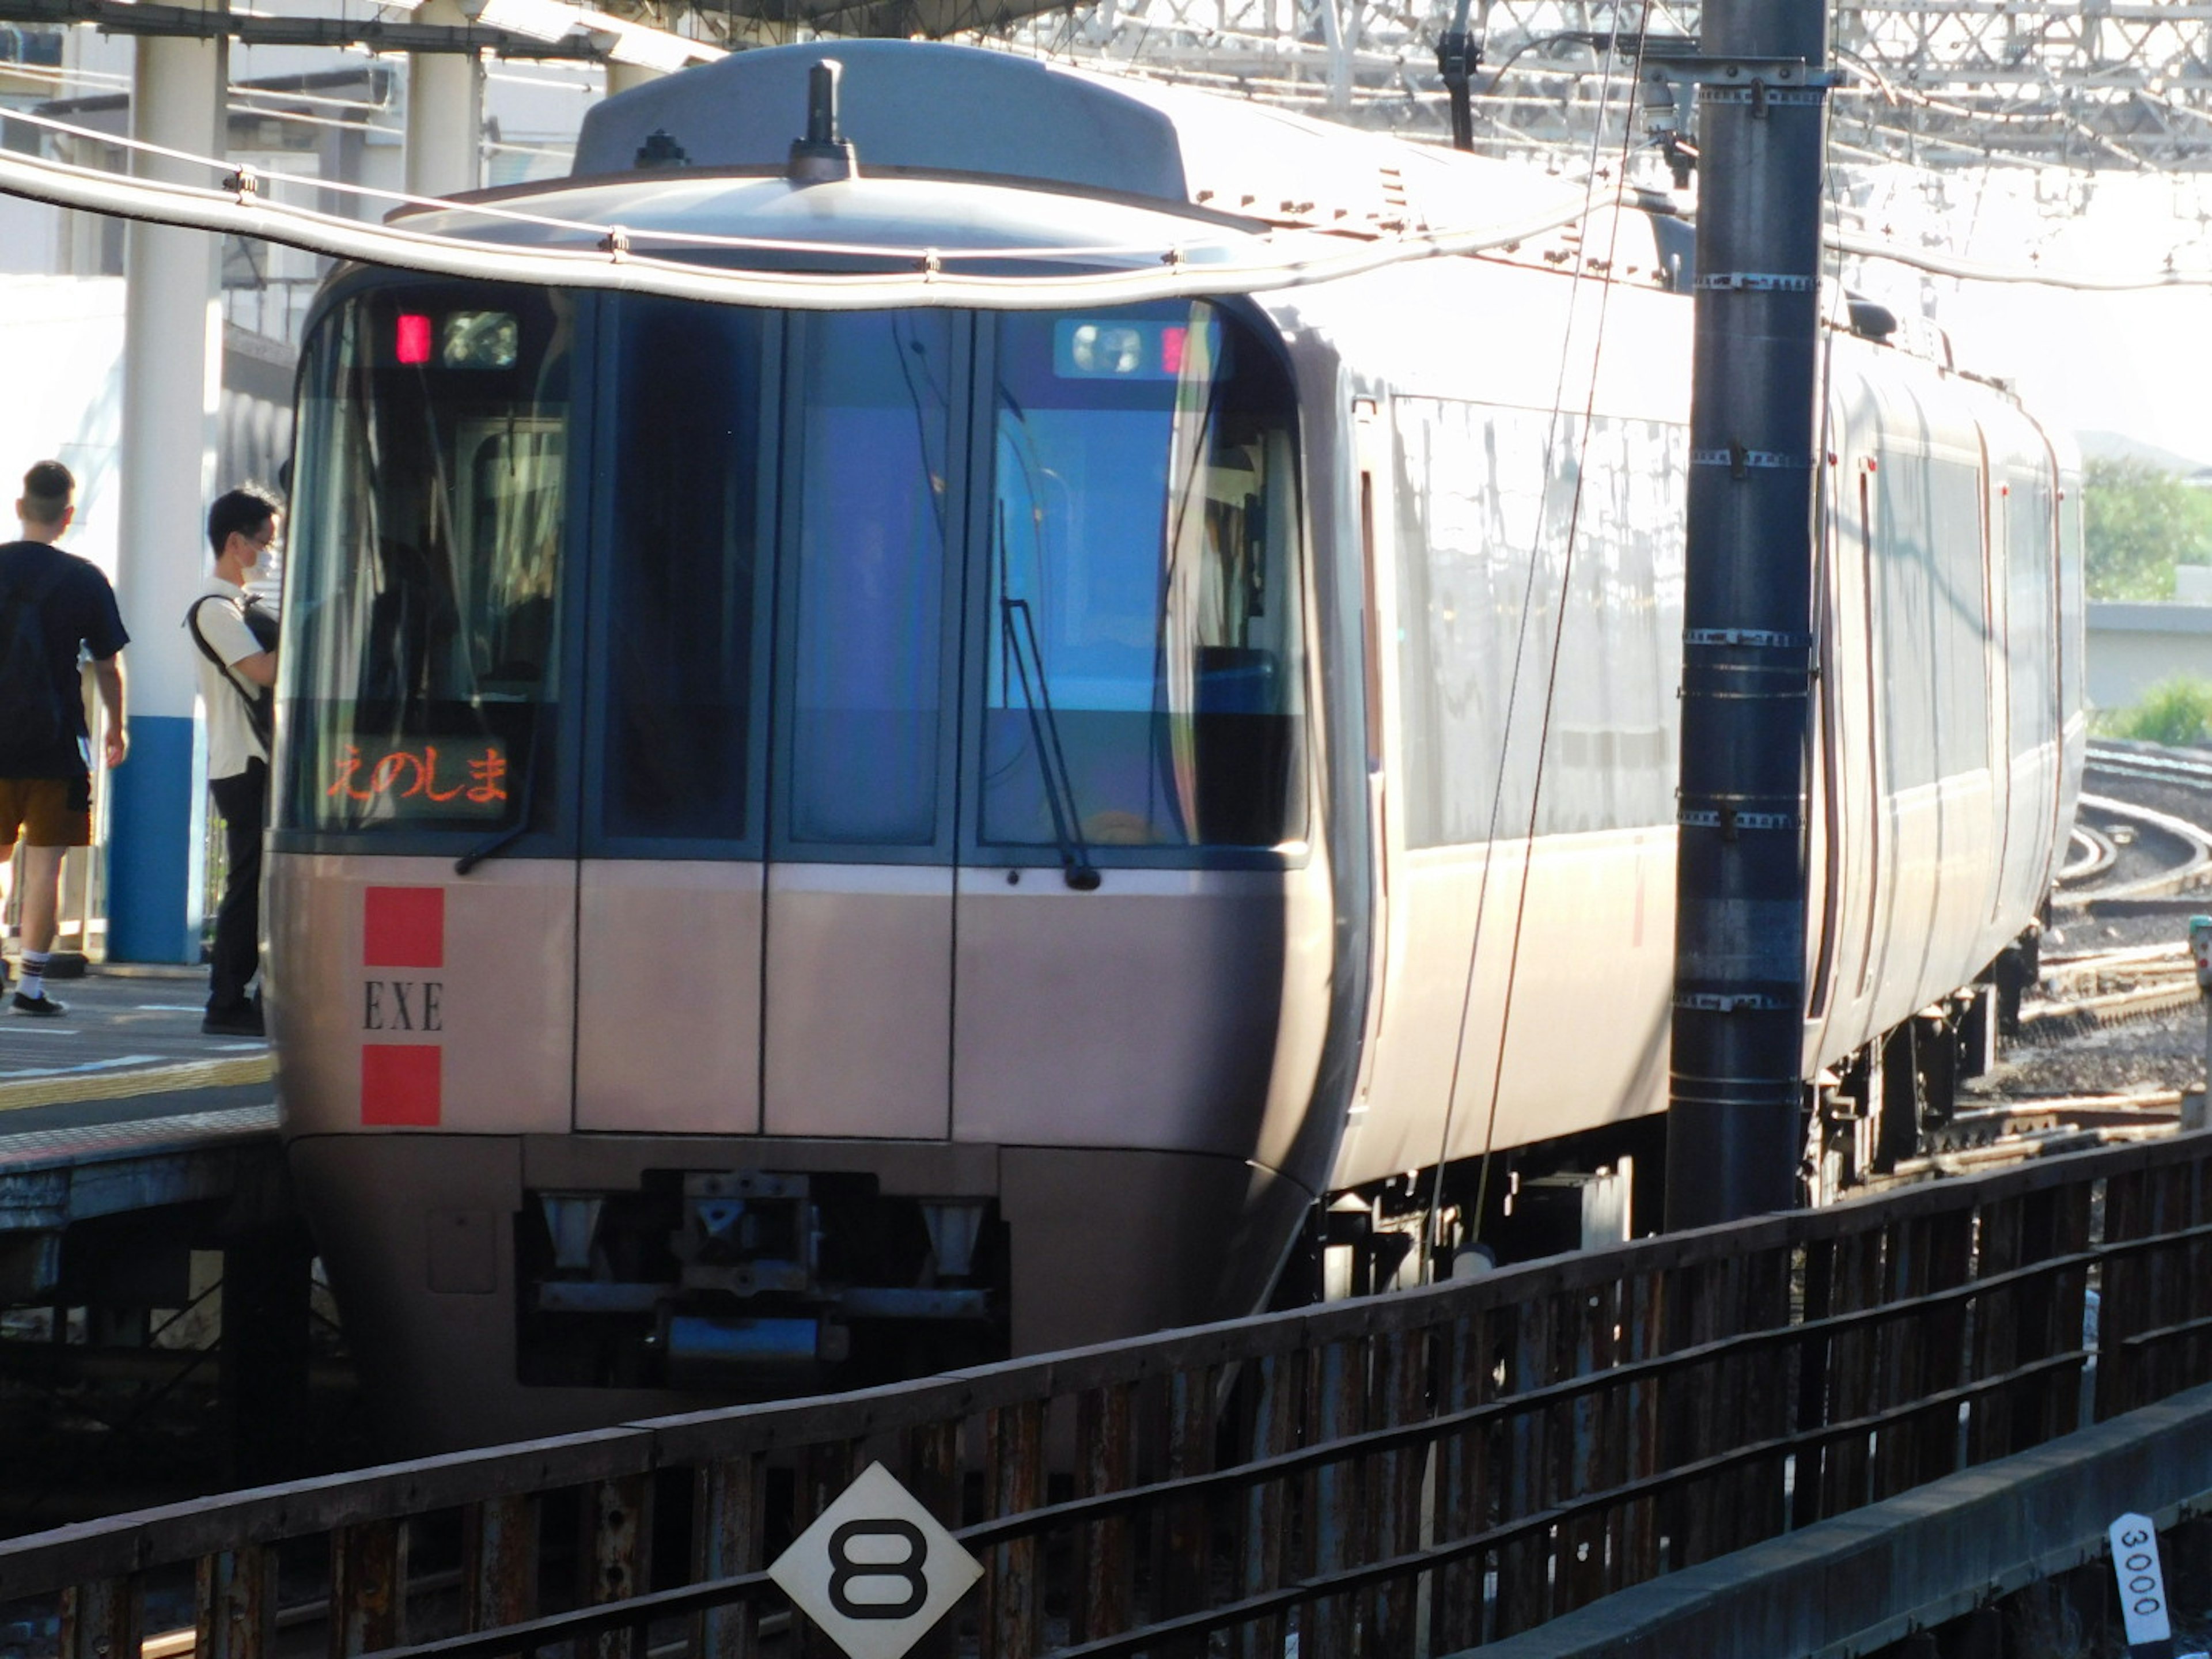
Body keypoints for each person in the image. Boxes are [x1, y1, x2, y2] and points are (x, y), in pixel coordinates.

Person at [0, 461, 128, 1017]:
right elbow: (108, 665)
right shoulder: (84, 578)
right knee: (45, 867)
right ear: (67, 516)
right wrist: (117, 728)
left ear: (20, 507)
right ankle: (30, 987)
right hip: (57, 748)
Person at [187, 487, 281, 1038]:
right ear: (235, 542)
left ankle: (237, 994)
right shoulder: (214, 609)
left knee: (256, 882)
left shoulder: (239, 606)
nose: (269, 554)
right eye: (265, 543)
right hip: (243, 762)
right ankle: (226, 1000)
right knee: (247, 884)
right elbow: (264, 673)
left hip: (253, 759)